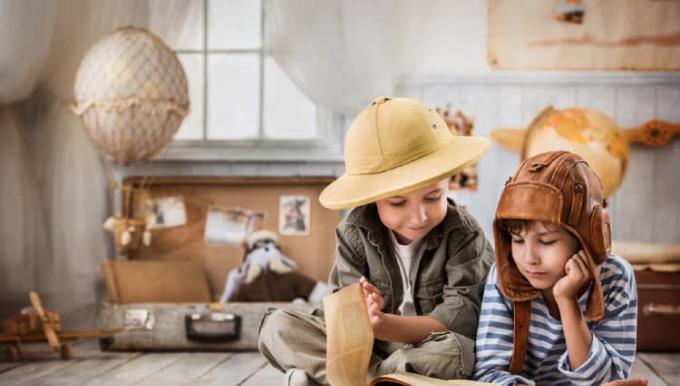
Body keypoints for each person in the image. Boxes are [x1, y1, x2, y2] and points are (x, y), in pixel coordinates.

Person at [258, 97, 494, 386]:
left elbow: (462, 320)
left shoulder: (464, 234)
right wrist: (359, 310)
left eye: (433, 197)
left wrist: (386, 325)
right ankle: (383, 380)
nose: (418, 216)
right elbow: (341, 319)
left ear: (447, 183)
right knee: (277, 326)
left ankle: (347, 381)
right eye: (397, 202)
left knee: (458, 353)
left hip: (428, 347)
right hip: (367, 350)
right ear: (373, 197)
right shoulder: (354, 232)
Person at [473, 151, 638, 386]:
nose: (529, 258)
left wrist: (567, 301)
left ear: (586, 238)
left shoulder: (615, 277)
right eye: (517, 240)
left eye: (547, 241)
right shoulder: (504, 275)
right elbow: (488, 373)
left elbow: (607, 380)